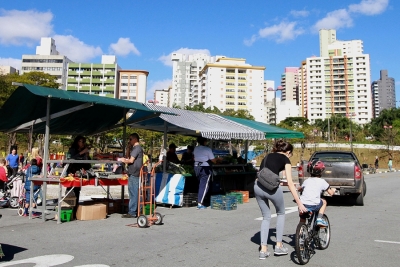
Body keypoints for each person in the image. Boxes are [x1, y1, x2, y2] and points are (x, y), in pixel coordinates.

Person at [254, 140, 307, 260]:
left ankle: (263, 250)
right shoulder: (286, 159)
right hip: (271, 189)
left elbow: (267, 174)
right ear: (288, 152)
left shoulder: (267, 155)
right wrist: (299, 203)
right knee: (281, 213)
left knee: (266, 216)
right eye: (291, 154)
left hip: (257, 186)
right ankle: (278, 246)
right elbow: (289, 182)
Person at [298, 159, 336, 227]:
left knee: (302, 219)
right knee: (324, 201)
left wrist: (299, 189)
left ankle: (300, 232)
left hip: (302, 205)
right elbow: (331, 193)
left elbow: (301, 189)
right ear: (321, 171)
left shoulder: (306, 181)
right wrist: (333, 190)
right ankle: (319, 218)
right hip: (314, 205)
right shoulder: (322, 181)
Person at [66, 135, 92, 217]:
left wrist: (87, 155)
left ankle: (75, 209)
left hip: (81, 172)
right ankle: (70, 209)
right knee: (71, 190)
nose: (83, 143)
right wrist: (82, 152)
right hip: (72, 171)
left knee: (77, 190)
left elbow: (88, 163)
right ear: (77, 142)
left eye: (84, 142)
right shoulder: (73, 150)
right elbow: (71, 159)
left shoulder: (83, 150)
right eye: (82, 141)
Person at [120, 133, 143, 218]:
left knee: (133, 192)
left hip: (134, 173)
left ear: (135, 139)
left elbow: (131, 160)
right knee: (133, 192)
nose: (129, 141)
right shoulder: (135, 148)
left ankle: (133, 211)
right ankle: (135, 210)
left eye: (130, 139)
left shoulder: (137, 148)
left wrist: (123, 160)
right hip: (133, 172)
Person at [193, 137, 219, 210]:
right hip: (205, 168)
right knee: (204, 186)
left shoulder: (196, 148)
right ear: (204, 142)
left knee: (201, 184)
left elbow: (194, 158)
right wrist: (218, 159)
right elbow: (213, 160)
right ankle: (200, 203)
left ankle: (201, 200)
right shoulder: (207, 149)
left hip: (196, 167)